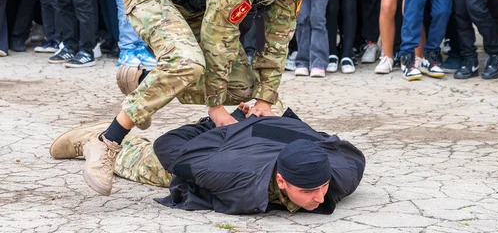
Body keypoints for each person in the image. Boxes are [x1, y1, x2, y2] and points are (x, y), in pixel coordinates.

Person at [75, 0, 345, 196]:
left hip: (197, 8)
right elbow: (220, 37)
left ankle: (146, 82)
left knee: (245, 87)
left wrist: (264, 100)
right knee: (187, 64)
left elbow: (278, 40)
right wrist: (215, 107)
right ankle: (106, 142)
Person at [49, 106, 365, 214]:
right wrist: (218, 123)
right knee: (152, 166)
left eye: (321, 187)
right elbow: (169, 145)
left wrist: (256, 122)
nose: (319, 197)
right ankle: (99, 140)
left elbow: (347, 153)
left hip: (262, 133)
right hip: (221, 154)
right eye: (308, 191)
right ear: (281, 180)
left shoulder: (340, 176)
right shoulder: (233, 176)